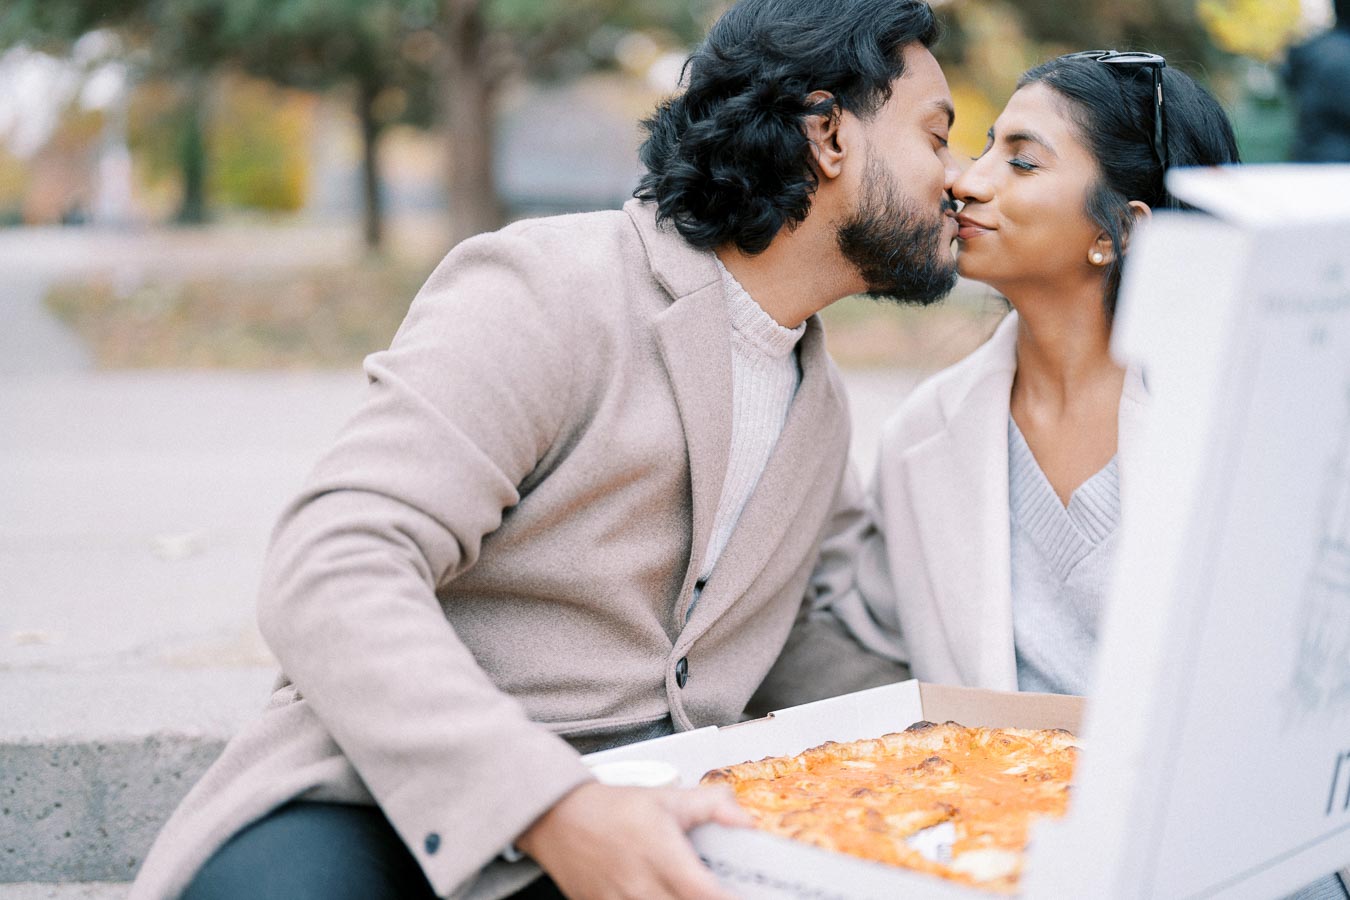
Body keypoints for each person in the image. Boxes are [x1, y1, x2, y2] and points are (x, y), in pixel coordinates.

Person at [129, 1, 963, 898]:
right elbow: (334, 565)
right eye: (938, 137)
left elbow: (794, 638)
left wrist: (993, 736)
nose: (960, 177)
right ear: (829, 133)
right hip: (392, 805)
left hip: (656, 823)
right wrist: (549, 805)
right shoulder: (548, 287)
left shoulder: (819, 403)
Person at [829, 51, 1350, 900]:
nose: (968, 180)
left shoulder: (1263, 424)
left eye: (1022, 160)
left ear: (1123, 227)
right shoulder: (922, 435)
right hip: (1003, 862)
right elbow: (877, 649)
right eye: (983, 146)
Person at [1284, 0, 1350, 163]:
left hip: (1309, 155)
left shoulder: (1313, 49)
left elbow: (1288, 77)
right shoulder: (1342, 54)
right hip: (1338, 163)